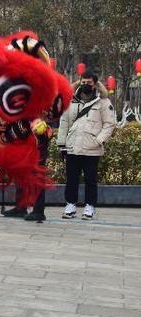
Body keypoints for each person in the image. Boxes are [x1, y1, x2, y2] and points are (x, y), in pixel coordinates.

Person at [58, 71, 116, 220]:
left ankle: (90, 206)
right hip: (72, 147)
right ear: (79, 82)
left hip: (92, 149)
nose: (86, 85)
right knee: (71, 178)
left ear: (95, 84)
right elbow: (64, 122)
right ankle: (70, 204)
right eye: (83, 82)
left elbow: (109, 124)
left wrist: (99, 140)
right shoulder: (71, 100)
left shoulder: (103, 102)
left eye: (89, 82)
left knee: (91, 180)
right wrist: (61, 144)